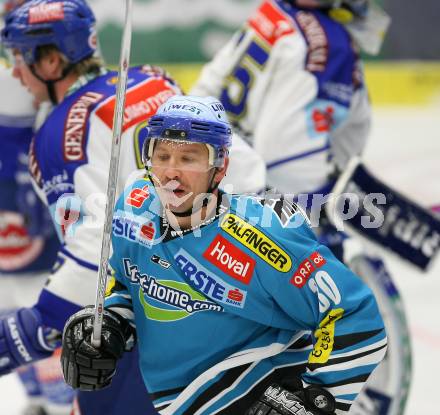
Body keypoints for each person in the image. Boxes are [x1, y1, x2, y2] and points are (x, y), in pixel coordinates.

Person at [0, 1, 266, 413]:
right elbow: (247, 169)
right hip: (239, 295)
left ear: (51, 62)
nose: (15, 72)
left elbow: (96, 248)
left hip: (159, 316)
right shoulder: (155, 81)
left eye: (18, 58)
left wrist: (36, 325)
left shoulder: (58, 135)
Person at [61, 95, 387, 415]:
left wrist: (316, 399)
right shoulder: (133, 207)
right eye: (162, 155)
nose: (171, 172)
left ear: (220, 166)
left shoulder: (261, 237)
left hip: (258, 384)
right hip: (179, 402)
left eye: (189, 158)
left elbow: (354, 313)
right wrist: (110, 325)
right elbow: (131, 285)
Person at [191, 1, 411, 413]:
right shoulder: (326, 42)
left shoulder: (273, 14)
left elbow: (201, 97)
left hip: (205, 198)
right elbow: (291, 165)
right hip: (255, 216)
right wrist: (318, 222)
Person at [0, 59, 74, 415]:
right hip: (17, 259)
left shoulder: (47, 121)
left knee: (39, 325)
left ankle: (55, 405)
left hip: (41, 253)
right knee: (13, 323)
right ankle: (37, 401)